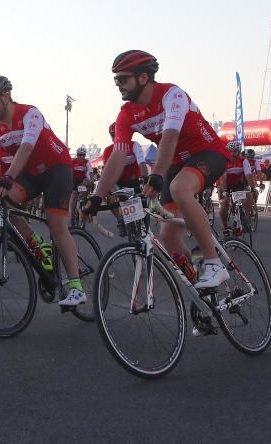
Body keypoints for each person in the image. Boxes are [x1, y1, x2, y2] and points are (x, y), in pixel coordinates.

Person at [87, 50, 229, 289]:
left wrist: (156, 175)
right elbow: (118, 156)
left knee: (180, 188)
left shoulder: (172, 94)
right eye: (116, 80)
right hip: (176, 163)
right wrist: (96, 196)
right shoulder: (126, 114)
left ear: (143, 78)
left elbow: (170, 136)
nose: (118, 85)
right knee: (169, 235)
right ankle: (202, 291)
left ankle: (214, 263)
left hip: (207, 153)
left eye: (123, 79)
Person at [0, 75, 87, 307]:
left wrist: (8, 176)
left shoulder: (29, 113)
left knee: (56, 225)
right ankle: (36, 245)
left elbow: (26, 147)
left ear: (6, 95)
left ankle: (76, 286)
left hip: (56, 168)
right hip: (31, 173)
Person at [99, 122, 148, 236]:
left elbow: (142, 163)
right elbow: (108, 173)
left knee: (144, 204)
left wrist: (145, 179)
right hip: (119, 183)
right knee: (108, 195)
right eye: (113, 136)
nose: (116, 138)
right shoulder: (108, 150)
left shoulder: (134, 145)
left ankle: (144, 224)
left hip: (135, 181)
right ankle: (120, 219)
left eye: (117, 135)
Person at [218, 142, 256, 236]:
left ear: (239, 151)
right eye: (230, 152)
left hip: (238, 184)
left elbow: (248, 174)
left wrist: (252, 187)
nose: (232, 154)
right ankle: (225, 227)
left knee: (248, 195)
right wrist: (225, 191)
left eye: (234, 152)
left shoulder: (244, 161)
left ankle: (246, 220)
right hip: (226, 185)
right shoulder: (224, 161)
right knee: (224, 205)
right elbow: (223, 178)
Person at [70, 146, 93, 224]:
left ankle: (83, 202)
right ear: (77, 155)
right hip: (73, 180)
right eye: (80, 155)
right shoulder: (73, 161)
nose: (81, 156)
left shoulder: (87, 162)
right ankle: (72, 216)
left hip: (82, 180)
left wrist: (92, 180)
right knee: (73, 197)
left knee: (87, 184)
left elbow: (90, 172)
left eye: (83, 155)